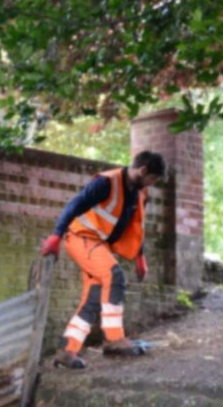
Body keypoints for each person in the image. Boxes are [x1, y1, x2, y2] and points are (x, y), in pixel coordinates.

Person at [39, 150, 166, 370]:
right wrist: (56, 236)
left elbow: (137, 226)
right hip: (81, 238)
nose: (151, 184)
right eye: (152, 179)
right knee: (114, 275)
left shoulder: (139, 193)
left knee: (94, 298)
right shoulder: (107, 182)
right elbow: (74, 205)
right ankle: (114, 339)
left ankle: (67, 350)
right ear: (143, 170)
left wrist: (140, 257)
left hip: (98, 244)